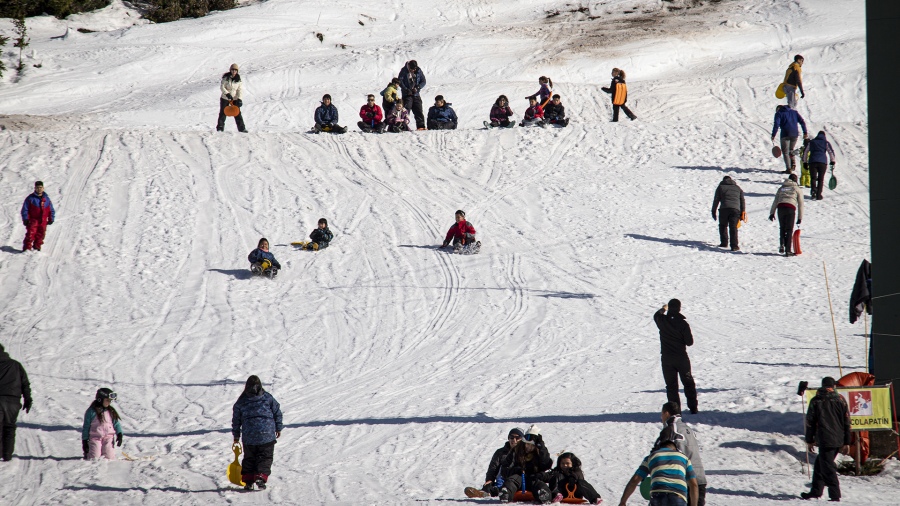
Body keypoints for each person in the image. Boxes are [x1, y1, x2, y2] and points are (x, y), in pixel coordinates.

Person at [617, 429, 699, 506]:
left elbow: (635, 480)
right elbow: (693, 485)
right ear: (675, 449)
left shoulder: (651, 457)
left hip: (658, 495)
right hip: (678, 496)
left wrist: (623, 501)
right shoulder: (684, 458)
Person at [801, 377, 851, 501]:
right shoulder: (841, 399)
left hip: (824, 438)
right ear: (833, 386)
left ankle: (835, 495)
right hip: (838, 438)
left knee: (827, 467)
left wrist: (809, 439)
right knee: (820, 465)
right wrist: (847, 441)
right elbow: (847, 422)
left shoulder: (816, 401)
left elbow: (810, 422)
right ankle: (816, 491)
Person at [232, 375, 283, 491]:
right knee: (265, 457)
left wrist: (236, 435)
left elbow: (236, 420)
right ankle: (261, 476)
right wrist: (278, 428)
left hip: (249, 436)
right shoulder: (267, 398)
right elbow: (277, 412)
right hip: (266, 434)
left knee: (249, 458)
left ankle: (249, 480)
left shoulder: (242, 401)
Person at [654, 299, 698, 414]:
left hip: (667, 359)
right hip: (681, 358)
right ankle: (693, 408)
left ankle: (675, 411)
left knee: (671, 386)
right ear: (679, 308)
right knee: (688, 383)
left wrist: (663, 308)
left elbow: (656, 315)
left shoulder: (662, 321)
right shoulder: (683, 324)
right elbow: (689, 342)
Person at [659, 402, 707, 506]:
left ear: (666, 413)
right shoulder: (688, 429)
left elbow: (661, 455)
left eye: (662, 414)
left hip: (686, 481)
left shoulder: (671, 429)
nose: (661, 417)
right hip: (700, 478)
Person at [498, 426, 553, 504]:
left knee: (538, 483)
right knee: (511, 481)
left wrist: (542, 448)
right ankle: (506, 493)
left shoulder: (539, 453)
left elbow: (546, 464)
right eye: (527, 444)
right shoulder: (515, 451)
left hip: (534, 477)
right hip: (519, 478)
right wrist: (516, 470)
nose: (528, 447)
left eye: (532, 445)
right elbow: (504, 469)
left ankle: (544, 495)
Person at [465, 427, 524, 498]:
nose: (514, 440)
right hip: (503, 480)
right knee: (493, 483)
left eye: (517, 438)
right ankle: (484, 493)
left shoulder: (526, 452)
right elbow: (493, 468)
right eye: (511, 437)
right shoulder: (500, 452)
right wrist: (489, 480)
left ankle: (497, 491)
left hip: (519, 481)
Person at [0, 343, 32, 461]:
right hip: (13, 401)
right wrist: (28, 399)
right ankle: (7, 455)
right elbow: (25, 383)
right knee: (9, 427)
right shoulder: (16, 365)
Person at [81, 388, 123, 460]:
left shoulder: (111, 411)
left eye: (110, 401)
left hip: (108, 438)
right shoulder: (91, 411)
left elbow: (116, 423)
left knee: (110, 457)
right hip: (95, 438)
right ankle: (88, 453)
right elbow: (86, 427)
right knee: (94, 457)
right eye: (107, 400)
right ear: (100, 399)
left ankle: (106, 451)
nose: (109, 402)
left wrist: (119, 434)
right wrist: (85, 440)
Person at [768, 174, 804, 256]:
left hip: (780, 208)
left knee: (782, 228)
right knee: (789, 229)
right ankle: (788, 250)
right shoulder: (797, 188)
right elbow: (801, 203)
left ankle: (782, 244)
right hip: (790, 208)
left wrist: (772, 213)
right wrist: (800, 217)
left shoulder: (781, 188)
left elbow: (775, 201)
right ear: (795, 180)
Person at [710, 175, 745, 251]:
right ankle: (734, 246)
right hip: (735, 210)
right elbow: (742, 201)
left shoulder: (721, 187)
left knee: (723, 225)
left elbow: (716, 200)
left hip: (724, 209)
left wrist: (713, 211)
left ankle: (724, 243)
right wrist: (743, 212)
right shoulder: (738, 188)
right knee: (733, 227)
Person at [771, 104, 808, 174]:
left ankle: (788, 168)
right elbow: (802, 122)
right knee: (791, 150)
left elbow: (776, 124)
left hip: (785, 134)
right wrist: (805, 132)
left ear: (778, 109)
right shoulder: (794, 112)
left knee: (785, 152)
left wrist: (773, 134)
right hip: (795, 134)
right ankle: (793, 163)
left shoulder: (779, 113)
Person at [21, 180, 55, 252]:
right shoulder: (30, 198)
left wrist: (51, 218)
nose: (39, 189)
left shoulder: (47, 199)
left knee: (41, 235)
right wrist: (25, 219)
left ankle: (37, 248)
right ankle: (27, 249)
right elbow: (25, 209)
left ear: (43, 188)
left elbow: (51, 209)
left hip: (43, 221)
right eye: (37, 188)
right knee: (30, 234)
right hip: (33, 220)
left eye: (40, 187)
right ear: (35, 188)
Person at [801, 131, 836, 201]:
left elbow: (805, 152)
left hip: (812, 162)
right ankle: (819, 195)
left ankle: (813, 191)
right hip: (822, 163)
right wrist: (832, 161)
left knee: (813, 178)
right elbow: (831, 152)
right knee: (821, 179)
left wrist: (805, 162)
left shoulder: (811, 142)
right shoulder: (826, 143)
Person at [216, 63, 247, 133]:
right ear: (230, 70)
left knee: (237, 113)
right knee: (223, 113)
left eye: (235, 70)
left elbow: (239, 90)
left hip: (234, 99)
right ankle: (220, 128)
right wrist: (227, 94)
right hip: (225, 98)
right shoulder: (226, 78)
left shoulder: (238, 79)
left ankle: (242, 128)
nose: (234, 72)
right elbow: (222, 87)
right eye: (232, 70)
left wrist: (239, 99)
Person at [398, 60, 427, 130]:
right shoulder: (404, 71)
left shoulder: (418, 70)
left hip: (416, 94)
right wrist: (407, 90)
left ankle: (421, 126)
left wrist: (418, 87)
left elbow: (423, 81)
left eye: (415, 69)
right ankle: (403, 126)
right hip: (407, 95)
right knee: (406, 110)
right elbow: (400, 81)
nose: (413, 70)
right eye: (412, 69)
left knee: (418, 110)